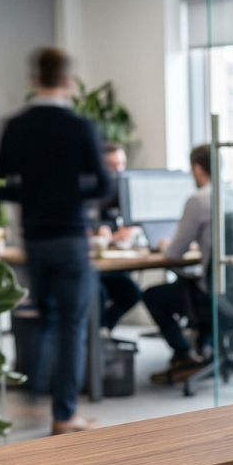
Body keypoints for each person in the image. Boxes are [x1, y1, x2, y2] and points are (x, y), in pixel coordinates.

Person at [0, 47, 111, 434]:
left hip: (35, 239)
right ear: (66, 81)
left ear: (34, 80)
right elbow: (104, 182)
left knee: (42, 318)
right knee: (72, 325)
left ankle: (31, 399)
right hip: (69, 238)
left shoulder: (15, 126)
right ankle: (64, 416)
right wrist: (68, 192)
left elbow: (3, 185)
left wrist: (35, 194)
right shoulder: (80, 127)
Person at [141, 143, 212, 382]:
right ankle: (204, 347)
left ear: (197, 169)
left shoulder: (198, 199)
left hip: (208, 293)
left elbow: (173, 253)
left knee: (151, 296)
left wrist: (164, 246)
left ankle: (184, 355)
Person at [94, 141, 143, 331]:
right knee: (100, 293)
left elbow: (135, 221)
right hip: (93, 267)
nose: (118, 170)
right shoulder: (90, 190)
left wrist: (132, 230)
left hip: (115, 262)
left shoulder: (124, 190)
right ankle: (94, 341)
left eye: (121, 164)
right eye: (112, 165)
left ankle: (102, 331)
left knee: (131, 291)